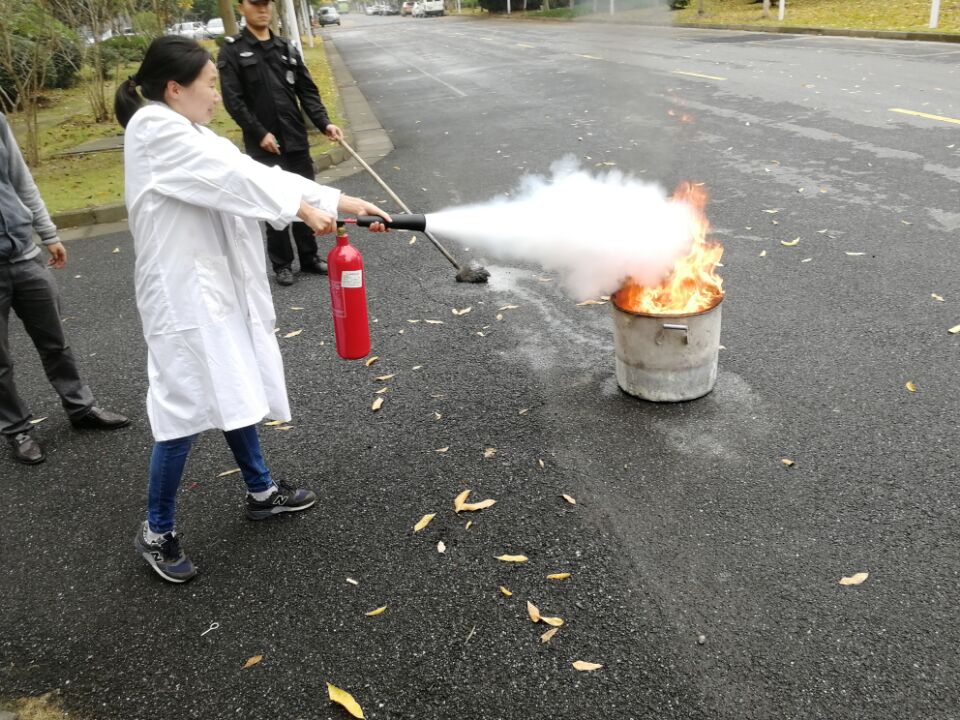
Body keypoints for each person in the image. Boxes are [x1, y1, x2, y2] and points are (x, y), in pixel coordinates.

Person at [114, 36, 389, 583]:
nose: (218, 96)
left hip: (213, 293)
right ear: (175, 88)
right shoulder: (153, 130)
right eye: (209, 85)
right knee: (183, 410)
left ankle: (261, 491)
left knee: (232, 382)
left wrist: (340, 200)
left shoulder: (191, 130)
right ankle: (156, 531)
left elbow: (256, 172)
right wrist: (302, 210)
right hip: (182, 299)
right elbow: (234, 181)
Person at [0, 113, 129, 466]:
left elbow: (21, 181)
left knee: (55, 343)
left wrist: (49, 234)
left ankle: (81, 407)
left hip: (24, 255)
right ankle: (16, 429)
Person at [218, 0, 344, 287]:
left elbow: (307, 91)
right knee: (273, 201)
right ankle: (282, 264)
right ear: (242, 8)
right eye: (255, 4)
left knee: (306, 197)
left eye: (266, 4)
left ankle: (309, 257)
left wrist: (324, 123)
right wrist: (259, 132)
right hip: (263, 145)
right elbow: (233, 100)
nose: (262, 9)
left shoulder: (286, 47)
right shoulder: (233, 51)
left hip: (295, 138)